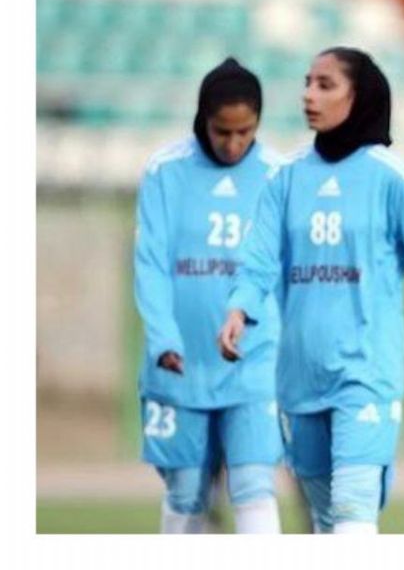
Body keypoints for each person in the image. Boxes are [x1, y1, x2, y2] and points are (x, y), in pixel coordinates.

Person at [218, 48, 404, 534]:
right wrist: (238, 309)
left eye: (325, 84)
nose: (309, 94)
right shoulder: (284, 179)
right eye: (308, 82)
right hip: (299, 378)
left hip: (365, 373)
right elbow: (258, 261)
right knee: (321, 521)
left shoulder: (393, 178)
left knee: (353, 513)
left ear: (360, 96)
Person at [133, 58, 283, 534]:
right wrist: (163, 338)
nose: (234, 143)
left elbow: (277, 269)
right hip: (181, 363)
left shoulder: (279, 174)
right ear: (203, 119)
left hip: (253, 363)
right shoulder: (164, 171)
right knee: (185, 492)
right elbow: (151, 264)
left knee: (255, 485)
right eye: (223, 132)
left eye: (246, 132)